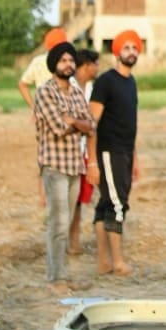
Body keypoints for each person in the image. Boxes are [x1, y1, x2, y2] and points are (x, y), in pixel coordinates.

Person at [33, 40, 96, 290]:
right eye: (63, 60)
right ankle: (55, 278)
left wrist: (74, 121)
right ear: (54, 65)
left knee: (67, 222)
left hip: (74, 166)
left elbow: (91, 125)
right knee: (58, 223)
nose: (68, 64)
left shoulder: (77, 92)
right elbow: (59, 128)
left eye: (71, 60)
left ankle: (64, 275)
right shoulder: (45, 92)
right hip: (54, 166)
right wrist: (75, 122)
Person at [88, 30, 142, 276]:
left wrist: (135, 158)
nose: (131, 51)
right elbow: (91, 123)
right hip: (109, 151)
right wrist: (92, 162)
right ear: (117, 51)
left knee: (105, 204)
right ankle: (117, 262)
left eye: (135, 47)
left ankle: (104, 263)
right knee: (118, 205)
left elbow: (131, 122)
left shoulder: (131, 83)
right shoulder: (105, 82)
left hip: (125, 152)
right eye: (126, 47)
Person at [68, 48, 100, 256]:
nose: (98, 68)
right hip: (69, 153)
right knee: (68, 201)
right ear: (86, 66)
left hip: (84, 151)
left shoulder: (91, 89)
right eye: (95, 64)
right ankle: (67, 241)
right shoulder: (68, 88)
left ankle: (73, 243)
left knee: (79, 200)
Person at [17, 26, 67, 110]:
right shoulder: (69, 62)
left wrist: (33, 108)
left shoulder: (38, 61)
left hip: (44, 111)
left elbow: (22, 85)